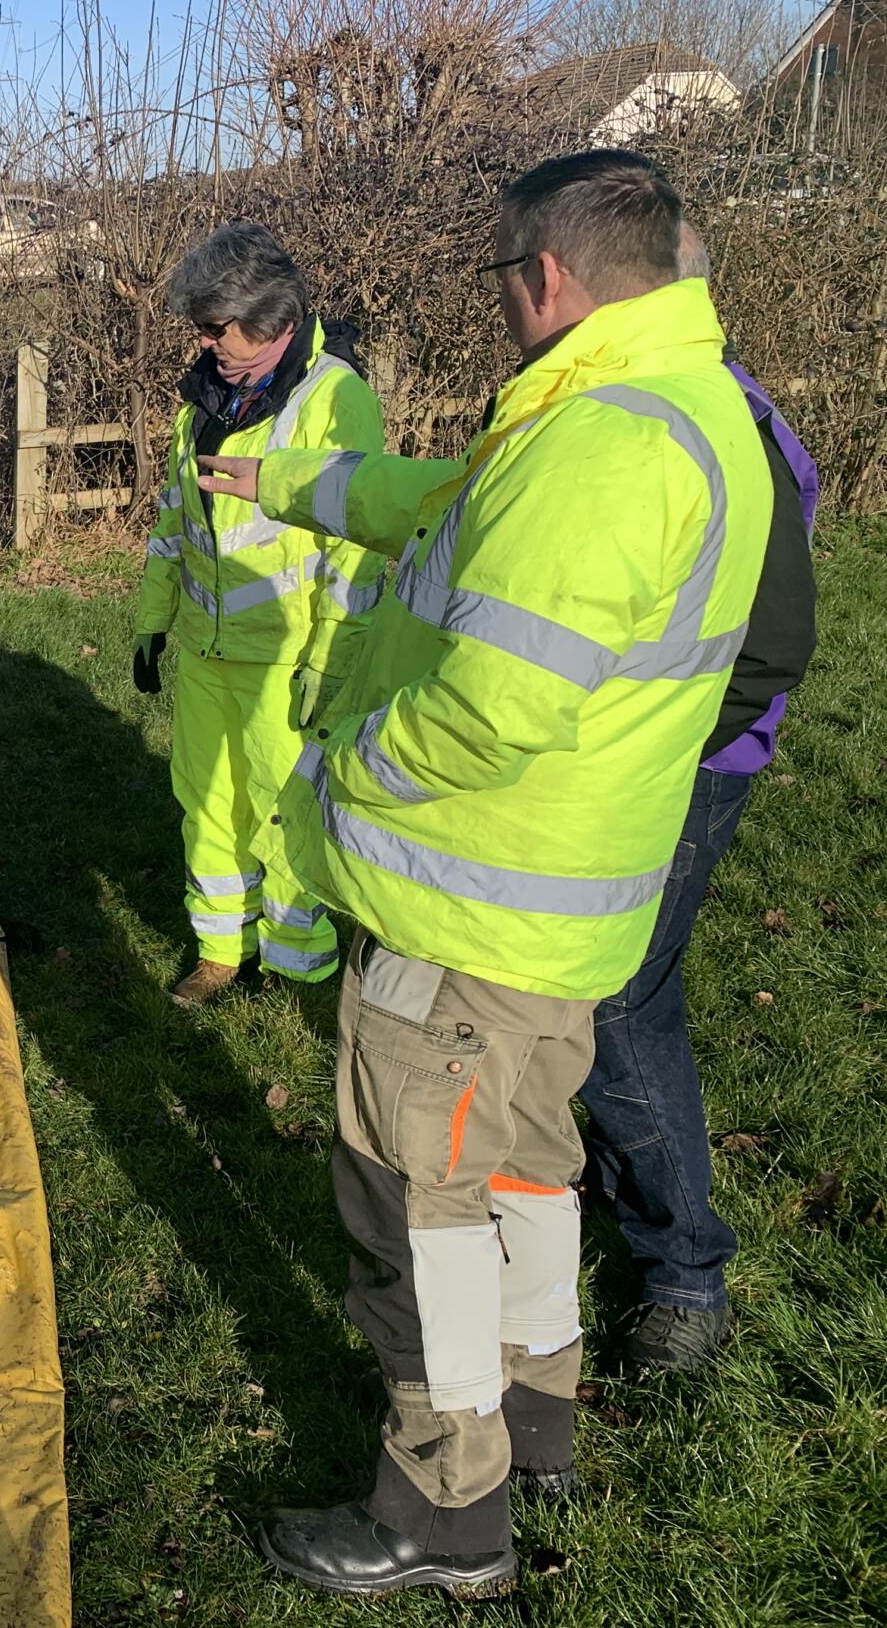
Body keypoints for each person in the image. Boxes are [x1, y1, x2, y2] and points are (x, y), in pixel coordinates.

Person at [195, 149, 771, 1596]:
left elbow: (493, 707)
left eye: (504, 282)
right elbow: (445, 504)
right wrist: (288, 479)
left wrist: (342, 774)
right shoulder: (667, 406)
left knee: (412, 1204)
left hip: (465, 903)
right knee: (521, 1170)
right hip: (560, 911)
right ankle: (535, 1415)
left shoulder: (600, 447)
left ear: (547, 276)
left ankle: (442, 1508)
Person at [579, 223, 818, 1377]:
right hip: (629, 754)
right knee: (595, 992)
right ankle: (613, 1194)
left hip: (686, 767)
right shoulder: (634, 401)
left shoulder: (719, 420)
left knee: (622, 999)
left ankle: (686, 1271)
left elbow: (772, 647)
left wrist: (657, 750)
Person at [133, 222, 387, 1005]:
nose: (206, 344)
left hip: (285, 655)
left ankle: (294, 961)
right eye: (202, 330)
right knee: (206, 799)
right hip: (209, 652)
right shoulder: (204, 399)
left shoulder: (336, 401)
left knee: (283, 809)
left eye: (218, 329)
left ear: (272, 320)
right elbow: (177, 513)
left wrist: (328, 662)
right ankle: (220, 948)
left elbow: (356, 551)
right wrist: (154, 618)